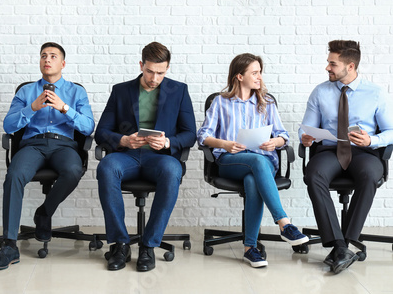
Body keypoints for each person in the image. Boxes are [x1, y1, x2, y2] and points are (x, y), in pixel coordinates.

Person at [0, 42, 95, 271]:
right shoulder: (26, 92)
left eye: (53, 56)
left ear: (62, 63)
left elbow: (88, 127)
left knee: (74, 170)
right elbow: (8, 125)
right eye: (43, 56)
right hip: (32, 145)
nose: (47, 59)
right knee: (14, 175)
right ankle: (9, 245)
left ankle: (44, 212)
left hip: (63, 145)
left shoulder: (77, 92)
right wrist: (32, 108)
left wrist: (65, 108)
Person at [197, 53, 308, 268]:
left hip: (263, 161)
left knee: (252, 179)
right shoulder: (221, 102)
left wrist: (274, 142)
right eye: (254, 73)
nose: (259, 78)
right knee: (254, 165)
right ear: (239, 76)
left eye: (260, 72)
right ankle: (284, 223)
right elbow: (203, 135)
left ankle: (250, 249)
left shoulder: (266, 102)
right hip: (231, 161)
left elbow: (283, 135)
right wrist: (225, 144)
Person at [95, 42, 196, 272]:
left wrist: (168, 142)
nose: (154, 78)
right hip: (128, 155)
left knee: (172, 170)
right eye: (150, 71)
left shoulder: (179, 91)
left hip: (160, 157)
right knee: (106, 168)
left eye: (161, 72)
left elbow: (190, 134)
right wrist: (124, 140)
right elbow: (101, 131)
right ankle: (120, 244)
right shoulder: (121, 91)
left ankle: (149, 245)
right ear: (141, 65)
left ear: (167, 68)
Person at [300, 40, 393, 274]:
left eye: (333, 64)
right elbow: (307, 128)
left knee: (370, 174)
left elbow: (391, 131)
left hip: (363, 152)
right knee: (314, 174)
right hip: (330, 150)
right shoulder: (320, 92)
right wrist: (306, 137)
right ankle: (340, 245)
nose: (327, 68)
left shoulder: (376, 93)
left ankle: (347, 241)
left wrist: (372, 141)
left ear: (350, 66)